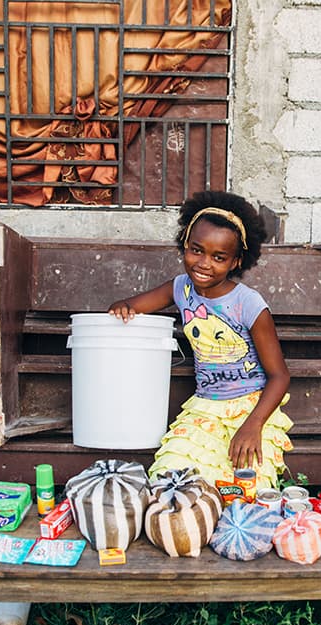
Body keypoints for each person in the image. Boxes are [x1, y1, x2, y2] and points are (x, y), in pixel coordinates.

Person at [108, 191, 293, 488]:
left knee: (244, 488)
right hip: (205, 406)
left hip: (251, 408)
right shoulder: (181, 288)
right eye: (196, 250)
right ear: (184, 245)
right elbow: (131, 305)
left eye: (219, 257)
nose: (204, 263)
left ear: (236, 262)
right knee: (170, 480)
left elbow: (279, 376)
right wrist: (123, 308)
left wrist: (253, 425)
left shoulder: (249, 304)